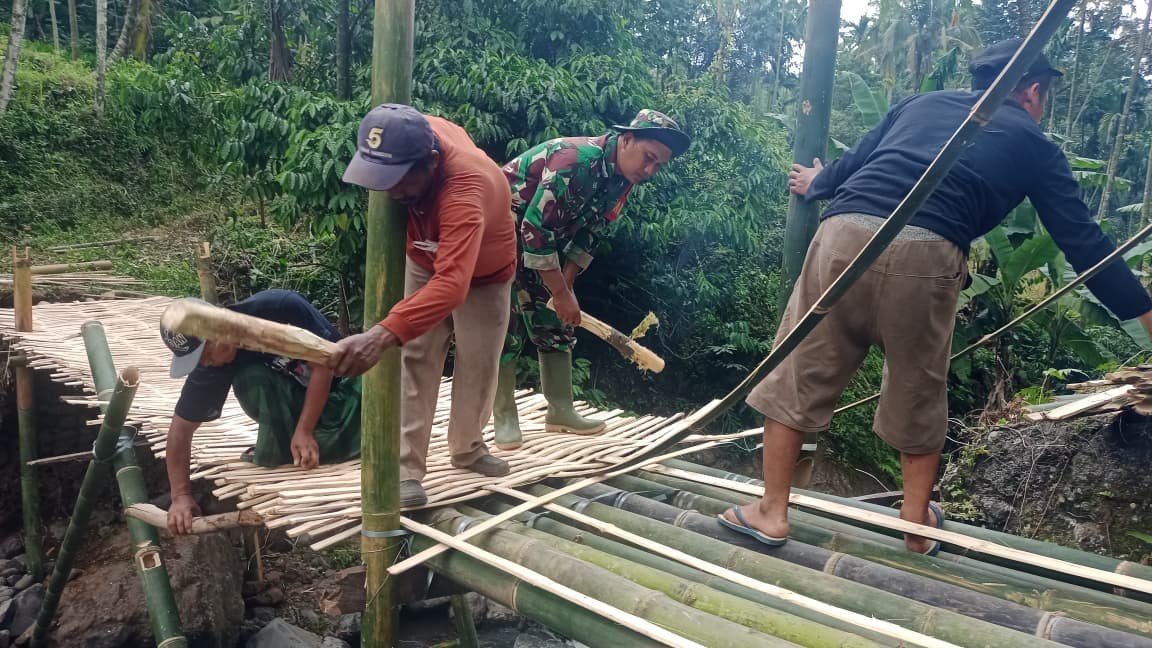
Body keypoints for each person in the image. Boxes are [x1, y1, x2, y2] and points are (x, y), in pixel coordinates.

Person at [719, 39, 1152, 554]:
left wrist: (817, 181)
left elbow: (854, 162)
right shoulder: (1036, 145)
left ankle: (771, 511)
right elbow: (1085, 244)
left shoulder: (918, 104)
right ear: (1033, 92)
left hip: (844, 236)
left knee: (798, 370)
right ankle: (915, 525)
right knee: (919, 385)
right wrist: (1146, 317)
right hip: (928, 255)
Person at [332, 104, 518, 508]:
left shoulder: (466, 190)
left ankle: (467, 448)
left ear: (431, 163)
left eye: (398, 180)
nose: (389, 190)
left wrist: (380, 335)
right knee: (415, 353)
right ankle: (405, 471)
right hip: (424, 252)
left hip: (485, 270)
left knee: (480, 360)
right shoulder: (405, 134)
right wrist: (396, 332)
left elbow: (452, 286)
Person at [492, 109, 692, 450]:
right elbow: (534, 229)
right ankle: (503, 417)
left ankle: (560, 410)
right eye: (648, 158)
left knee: (556, 321)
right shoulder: (575, 159)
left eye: (659, 165)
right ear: (627, 139)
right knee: (503, 325)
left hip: (541, 246)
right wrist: (560, 289)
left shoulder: (622, 180)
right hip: (496, 236)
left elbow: (589, 235)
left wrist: (565, 288)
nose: (650, 170)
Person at [161, 289, 362, 535]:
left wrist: (305, 429)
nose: (204, 364)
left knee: (378, 378)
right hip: (297, 410)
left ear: (217, 333)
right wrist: (180, 496)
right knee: (250, 379)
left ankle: (320, 440)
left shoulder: (278, 308)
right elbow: (180, 430)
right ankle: (304, 445)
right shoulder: (212, 366)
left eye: (203, 355)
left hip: (344, 394)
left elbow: (323, 364)